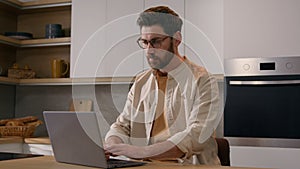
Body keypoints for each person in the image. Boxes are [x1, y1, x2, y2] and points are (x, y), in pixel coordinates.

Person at [104, 6, 221, 165]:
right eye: (145, 42)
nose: (149, 50)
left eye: (156, 41)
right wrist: (113, 145)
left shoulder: (203, 80)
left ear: (177, 39)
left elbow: (196, 135)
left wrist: (140, 152)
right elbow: (122, 125)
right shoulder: (141, 82)